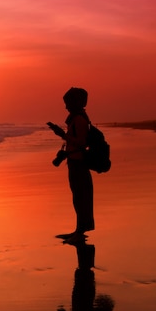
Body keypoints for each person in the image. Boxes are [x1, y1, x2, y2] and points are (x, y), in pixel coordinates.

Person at [47, 87, 94, 241]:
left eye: (68, 103)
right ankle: (78, 230)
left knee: (81, 197)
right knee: (78, 197)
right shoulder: (76, 118)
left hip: (79, 162)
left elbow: (81, 142)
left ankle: (79, 232)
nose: (66, 106)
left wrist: (63, 135)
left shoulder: (79, 119)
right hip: (74, 161)